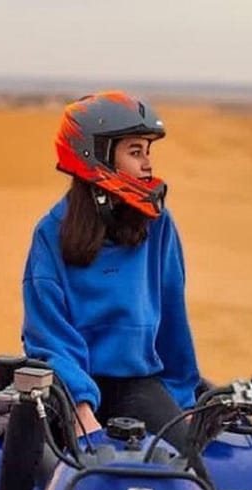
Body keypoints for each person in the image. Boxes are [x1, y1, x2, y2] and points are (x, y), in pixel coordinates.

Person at [21, 91, 201, 451]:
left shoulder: (159, 226)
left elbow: (173, 325)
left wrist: (183, 400)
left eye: (148, 152)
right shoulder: (50, 233)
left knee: (188, 471)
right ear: (96, 156)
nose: (147, 164)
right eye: (135, 152)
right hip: (66, 385)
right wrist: (80, 410)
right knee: (27, 460)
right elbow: (48, 336)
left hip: (137, 382)